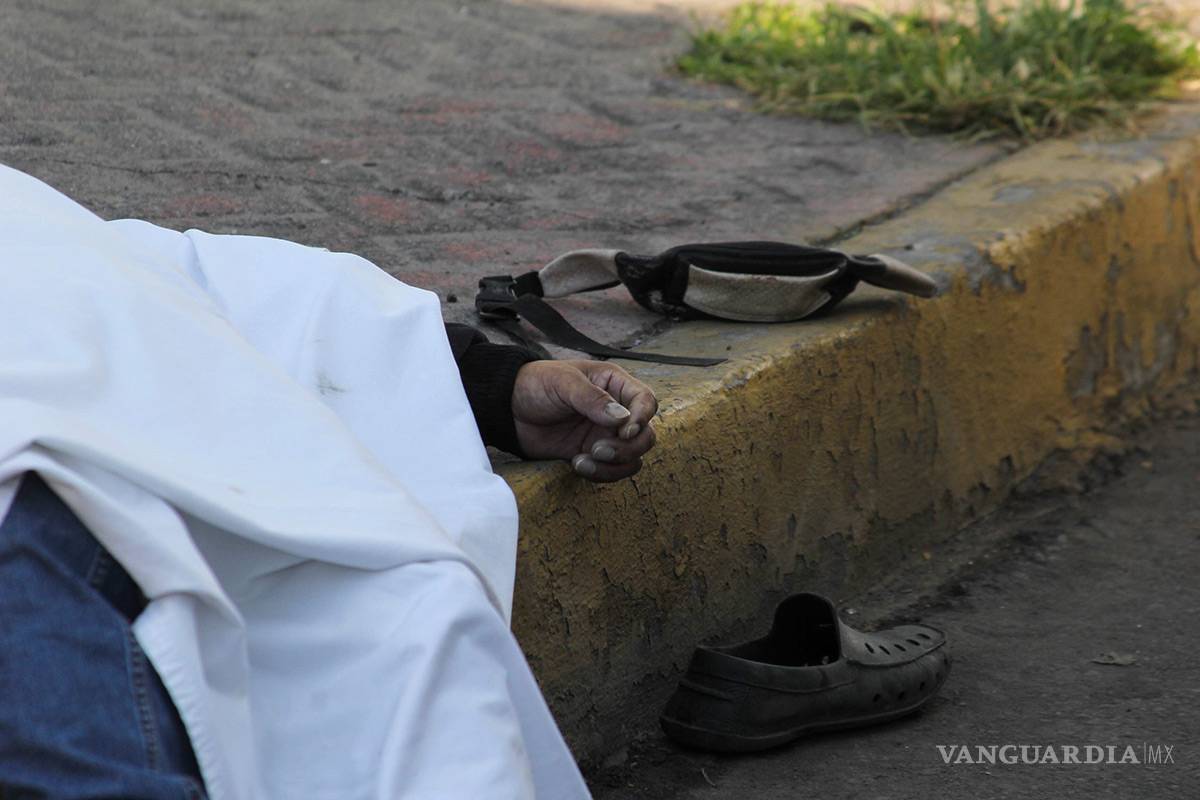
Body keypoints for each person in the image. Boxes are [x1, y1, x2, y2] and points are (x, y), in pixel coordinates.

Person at [0, 164, 658, 799]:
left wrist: (496, 389)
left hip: (80, 491)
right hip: (62, 518)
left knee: (412, 631)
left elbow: (155, 280)